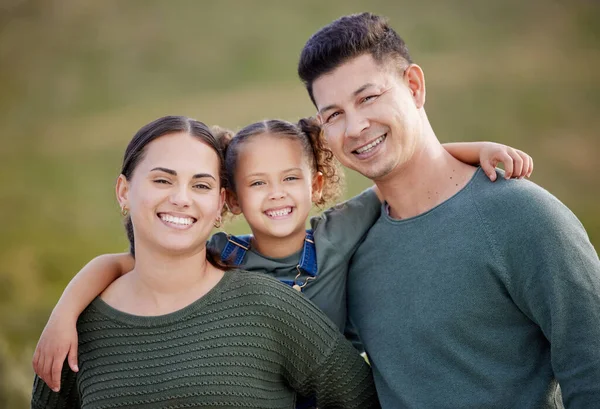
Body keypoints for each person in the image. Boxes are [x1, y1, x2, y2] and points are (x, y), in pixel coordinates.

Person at [32, 116, 532, 398]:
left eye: (290, 178)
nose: (276, 195)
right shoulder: (220, 254)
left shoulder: (335, 232)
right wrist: (64, 313)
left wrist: (476, 148)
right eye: (256, 183)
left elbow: (404, 175)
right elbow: (126, 262)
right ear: (234, 200)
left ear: (315, 185)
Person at [297, 12, 600, 409]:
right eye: (334, 115)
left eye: (368, 97)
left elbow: (591, 369)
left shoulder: (522, 216)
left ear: (414, 86)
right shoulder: (351, 249)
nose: (354, 127)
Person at [31, 115, 382, 409]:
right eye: (162, 180)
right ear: (124, 191)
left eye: (200, 185)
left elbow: (361, 398)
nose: (181, 199)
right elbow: (125, 263)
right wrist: (64, 313)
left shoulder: (275, 298)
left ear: (218, 203)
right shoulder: (75, 330)